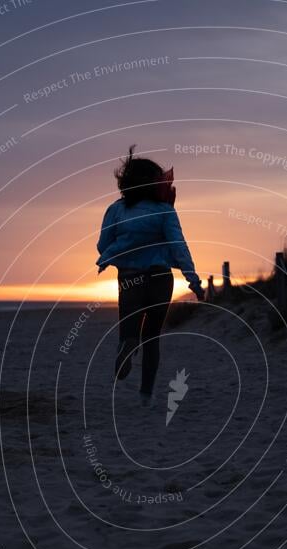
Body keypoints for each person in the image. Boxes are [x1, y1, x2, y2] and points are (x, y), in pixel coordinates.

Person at [96, 145, 204, 404]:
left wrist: (121, 248)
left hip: (131, 277)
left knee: (129, 331)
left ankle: (126, 347)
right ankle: (146, 394)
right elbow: (179, 247)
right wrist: (193, 281)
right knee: (153, 337)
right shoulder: (166, 211)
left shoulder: (117, 210)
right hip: (160, 278)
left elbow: (102, 244)